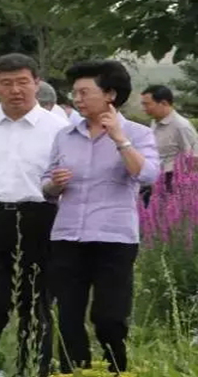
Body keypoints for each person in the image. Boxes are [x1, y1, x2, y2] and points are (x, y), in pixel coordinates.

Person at [43, 60, 159, 374]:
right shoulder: (65, 135)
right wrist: (54, 184)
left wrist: (120, 139)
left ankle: (114, 369)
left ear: (110, 94)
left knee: (110, 317)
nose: (77, 99)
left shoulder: (138, 133)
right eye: (75, 92)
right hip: (68, 236)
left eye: (84, 92)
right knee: (68, 316)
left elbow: (147, 175)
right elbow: (46, 184)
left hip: (114, 238)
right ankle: (74, 371)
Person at [0, 54, 68, 377]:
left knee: (36, 306)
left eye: (23, 82)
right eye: (6, 83)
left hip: (38, 218)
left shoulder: (60, 129)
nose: (15, 90)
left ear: (37, 83)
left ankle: (34, 369)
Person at [140, 84, 198, 186]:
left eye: (147, 104)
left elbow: (193, 158)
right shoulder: (155, 122)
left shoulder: (181, 126)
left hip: (173, 180)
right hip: (156, 178)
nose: (144, 109)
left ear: (164, 103)